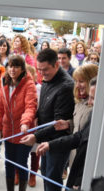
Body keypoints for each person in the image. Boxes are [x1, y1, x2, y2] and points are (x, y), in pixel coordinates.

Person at [20, 48, 75, 191]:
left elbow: (58, 123)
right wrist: (33, 119)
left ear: (56, 65)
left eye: (45, 70)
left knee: (52, 178)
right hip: (46, 137)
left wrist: (35, 136)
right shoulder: (47, 79)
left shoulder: (66, 87)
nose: (41, 74)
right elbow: (43, 105)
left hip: (58, 142)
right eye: (39, 70)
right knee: (45, 172)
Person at [34, 77, 97, 190]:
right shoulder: (87, 107)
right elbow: (80, 134)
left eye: (93, 98)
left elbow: (84, 142)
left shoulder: (95, 113)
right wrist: (68, 125)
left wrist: (80, 179)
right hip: (76, 159)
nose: (90, 101)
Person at [0, 55, 37, 191]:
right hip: (8, 131)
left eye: (16, 66)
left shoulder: (29, 84)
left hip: (23, 132)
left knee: (21, 163)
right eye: (10, 66)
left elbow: (30, 106)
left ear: (22, 69)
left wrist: (25, 123)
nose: (12, 69)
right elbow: (0, 107)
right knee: (9, 163)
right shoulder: (4, 82)